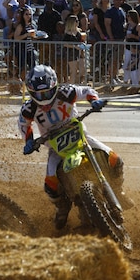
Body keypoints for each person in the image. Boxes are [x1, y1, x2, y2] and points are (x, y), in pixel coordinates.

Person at [18, 64, 125, 229]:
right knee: (50, 185)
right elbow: (24, 125)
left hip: (81, 136)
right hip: (55, 147)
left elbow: (86, 91)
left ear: (54, 86)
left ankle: (119, 190)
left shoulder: (66, 92)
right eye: (38, 94)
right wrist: (29, 141)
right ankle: (62, 207)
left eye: (46, 92)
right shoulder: (28, 107)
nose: (44, 98)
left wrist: (94, 101)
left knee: (115, 159)